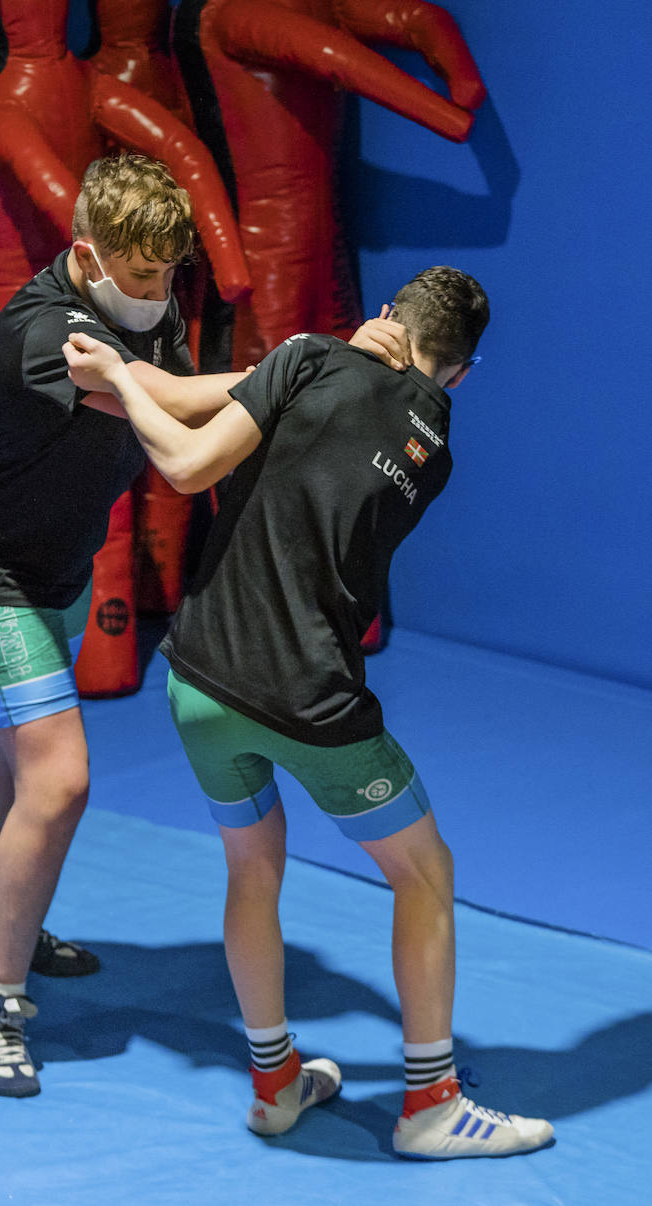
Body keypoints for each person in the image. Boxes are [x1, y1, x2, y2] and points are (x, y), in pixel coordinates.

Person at [0, 152, 408, 1097]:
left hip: (56, 558)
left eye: (165, 276)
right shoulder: (44, 331)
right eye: (136, 277)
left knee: (14, 742)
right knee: (58, 781)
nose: (154, 294)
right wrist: (318, 366)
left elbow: (182, 421)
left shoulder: (149, 309)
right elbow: (175, 402)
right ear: (86, 253)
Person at [62, 266, 554, 1158]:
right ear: (464, 373)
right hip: (307, 702)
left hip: (199, 681)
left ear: (383, 317)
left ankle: (276, 1081)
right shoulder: (434, 450)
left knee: (252, 868)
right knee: (424, 871)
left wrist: (121, 375)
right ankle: (431, 1105)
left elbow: (182, 461)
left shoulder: (307, 358)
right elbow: (388, 412)